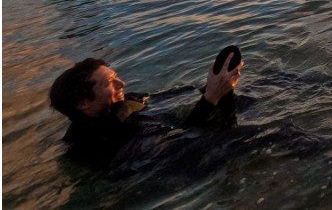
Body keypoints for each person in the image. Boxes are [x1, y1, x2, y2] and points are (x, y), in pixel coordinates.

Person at [49, 51, 243, 167]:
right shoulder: (101, 141)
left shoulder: (122, 106)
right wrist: (212, 97)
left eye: (116, 76)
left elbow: (174, 97)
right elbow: (184, 140)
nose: (121, 83)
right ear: (83, 103)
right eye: (109, 82)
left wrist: (212, 87)